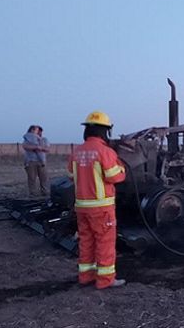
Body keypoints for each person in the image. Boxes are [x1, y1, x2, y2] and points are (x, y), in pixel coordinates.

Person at [67, 111, 126, 289]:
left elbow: (71, 176)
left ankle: (86, 276)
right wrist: (122, 168)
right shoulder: (104, 151)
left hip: (82, 207)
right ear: (105, 131)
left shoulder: (77, 152)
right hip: (101, 209)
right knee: (105, 243)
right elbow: (114, 176)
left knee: (86, 241)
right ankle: (105, 280)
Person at [22, 125, 49, 196]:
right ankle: (32, 193)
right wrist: (36, 147)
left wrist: (40, 148)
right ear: (32, 130)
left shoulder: (44, 139)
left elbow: (47, 149)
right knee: (32, 178)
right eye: (37, 130)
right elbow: (25, 146)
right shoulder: (27, 139)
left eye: (40, 130)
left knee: (44, 178)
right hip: (31, 161)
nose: (39, 132)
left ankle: (45, 192)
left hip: (42, 162)